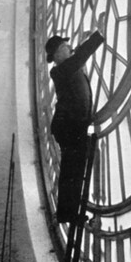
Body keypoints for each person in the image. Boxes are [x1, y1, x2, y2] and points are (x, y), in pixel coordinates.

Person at [45, 14, 106, 224]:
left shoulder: (66, 69)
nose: (67, 49)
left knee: (74, 169)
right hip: (70, 127)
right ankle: (67, 213)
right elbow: (80, 55)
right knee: (73, 170)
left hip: (71, 127)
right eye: (63, 47)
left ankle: (68, 213)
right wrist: (99, 35)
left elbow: (77, 56)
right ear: (56, 56)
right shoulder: (62, 70)